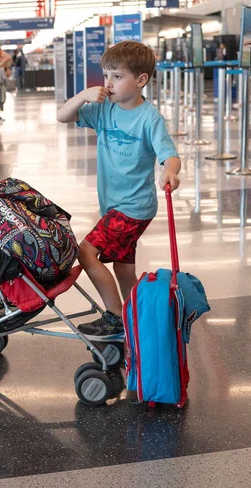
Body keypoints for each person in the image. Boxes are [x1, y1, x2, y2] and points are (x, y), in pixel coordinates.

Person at [56, 41, 181, 341]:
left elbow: (169, 153)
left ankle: (115, 319)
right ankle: (139, 319)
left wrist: (170, 172)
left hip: (133, 206)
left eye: (117, 76)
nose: (108, 84)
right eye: (106, 76)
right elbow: (63, 116)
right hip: (114, 206)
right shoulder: (103, 109)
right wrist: (82, 96)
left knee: (86, 253)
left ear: (140, 80)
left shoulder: (149, 117)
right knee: (124, 268)